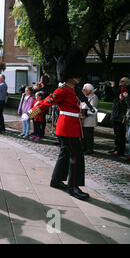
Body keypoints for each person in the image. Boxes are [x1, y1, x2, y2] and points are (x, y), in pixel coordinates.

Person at [25, 49, 91, 200]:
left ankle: (56, 180)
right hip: (67, 127)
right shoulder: (62, 89)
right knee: (76, 155)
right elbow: (45, 103)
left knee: (65, 153)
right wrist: (30, 114)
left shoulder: (73, 89)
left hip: (71, 126)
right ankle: (73, 187)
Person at [108, 77, 130, 156]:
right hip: (115, 114)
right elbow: (112, 96)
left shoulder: (127, 90)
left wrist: (113, 86)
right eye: (120, 80)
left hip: (121, 116)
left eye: (123, 81)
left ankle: (120, 150)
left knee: (120, 134)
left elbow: (119, 96)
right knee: (116, 134)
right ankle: (116, 147)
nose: (120, 82)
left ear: (127, 83)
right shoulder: (119, 89)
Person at [81, 83, 99, 155]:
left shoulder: (94, 97)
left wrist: (83, 112)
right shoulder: (83, 97)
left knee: (88, 136)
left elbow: (93, 109)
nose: (83, 91)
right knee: (83, 135)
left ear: (90, 90)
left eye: (85, 90)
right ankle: (84, 148)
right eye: (83, 89)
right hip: (83, 118)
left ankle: (89, 149)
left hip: (89, 119)